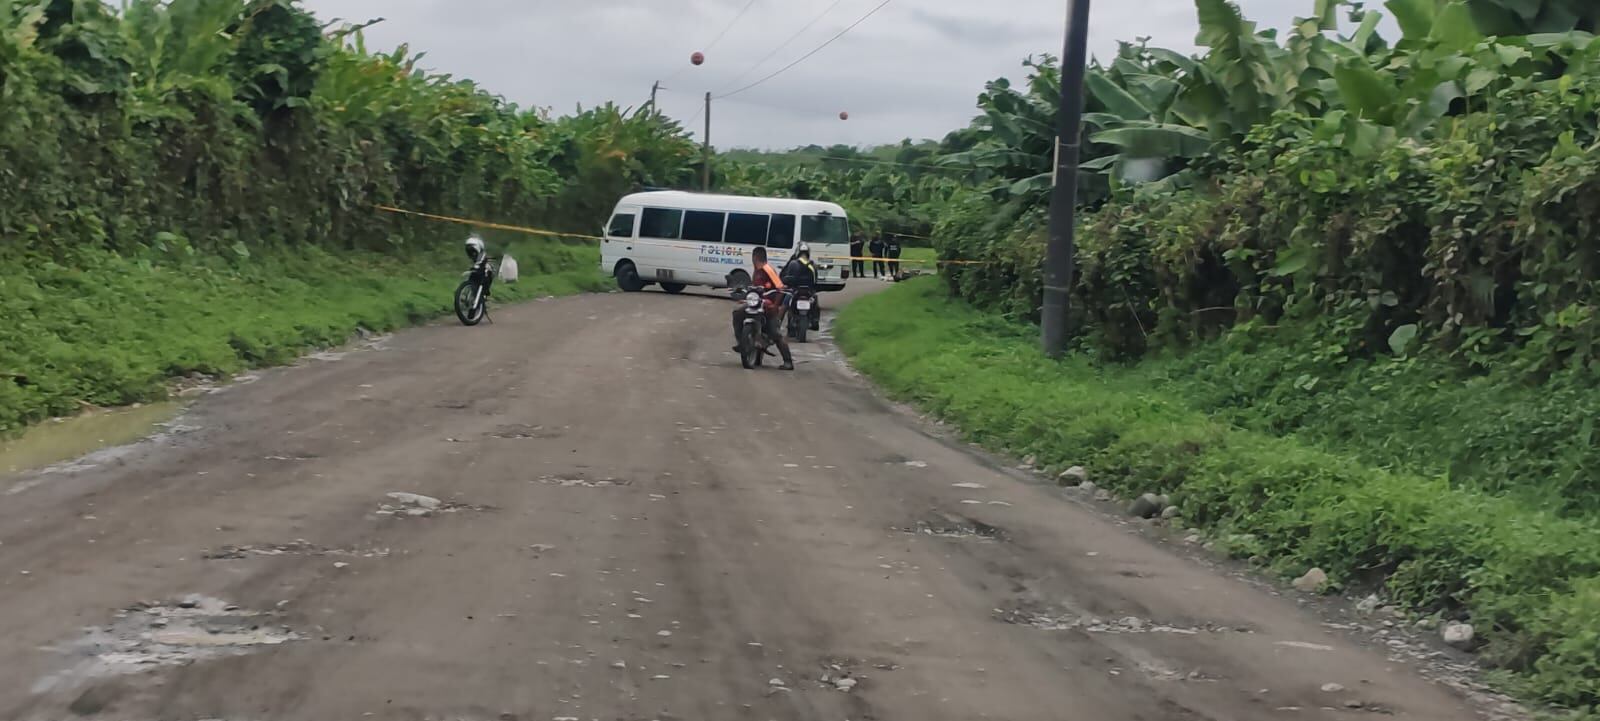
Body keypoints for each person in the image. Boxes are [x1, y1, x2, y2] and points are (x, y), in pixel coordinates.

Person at [731, 246, 794, 370]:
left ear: (755, 257)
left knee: (775, 333)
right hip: (756, 304)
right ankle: (741, 342)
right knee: (738, 313)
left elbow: (780, 287)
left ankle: (788, 361)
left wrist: (775, 305)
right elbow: (753, 289)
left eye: (753, 257)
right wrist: (743, 296)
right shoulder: (756, 271)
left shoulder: (767, 269)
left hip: (768, 305)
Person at [780, 243, 822, 331]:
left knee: (784, 305)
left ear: (798, 252)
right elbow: (815, 281)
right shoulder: (813, 265)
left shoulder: (793, 263)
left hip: (795, 291)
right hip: (809, 292)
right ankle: (815, 321)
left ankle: (777, 326)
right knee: (816, 303)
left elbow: (787, 278)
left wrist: (785, 283)